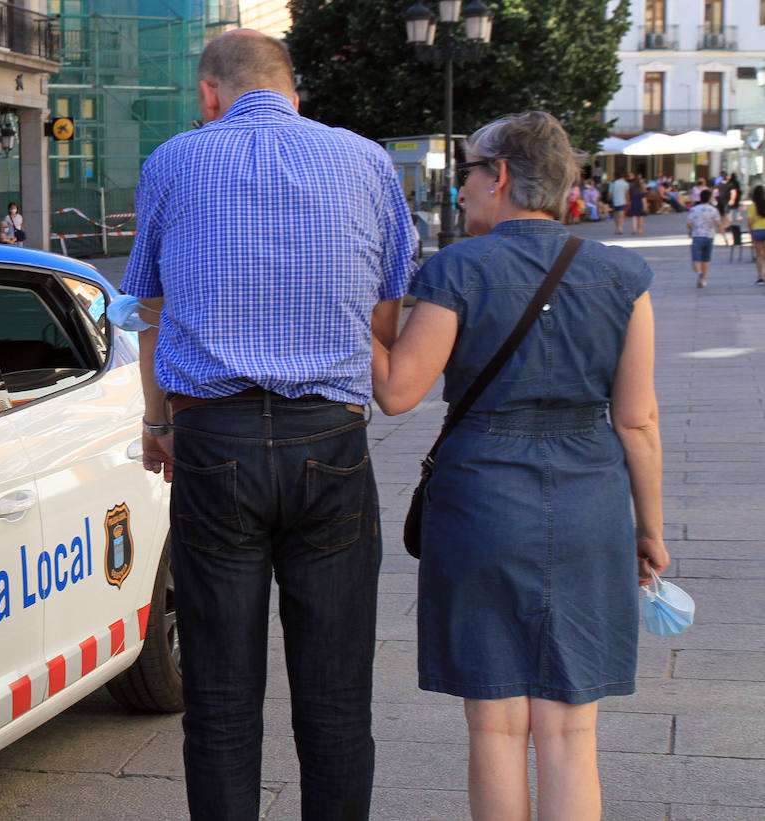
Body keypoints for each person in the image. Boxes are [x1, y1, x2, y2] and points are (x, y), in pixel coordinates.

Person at [121, 28, 416, 821]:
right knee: (336, 700)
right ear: (294, 89)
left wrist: (157, 419)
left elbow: (148, 304)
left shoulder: (176, 161)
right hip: (331, 440)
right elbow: (386, 308)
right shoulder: (364, 160)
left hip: (213, 442)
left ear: (209, 94)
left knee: (218, 700)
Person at [370, 111, 670, 821]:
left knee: (497, 727)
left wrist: (352, 313)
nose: (464, 187)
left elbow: (398, 391)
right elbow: (638, 419)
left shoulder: (458, 268)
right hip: (591, 503)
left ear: (499, 175)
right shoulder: (624, 275)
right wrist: (649, 529)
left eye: (470, 171)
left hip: (482, 501)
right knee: (571, 729)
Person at [687, 189, 727, 288]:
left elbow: (689, 223)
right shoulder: (713, 210)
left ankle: (698, 273)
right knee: (706, 259)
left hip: (697, 235)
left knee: (696, 258)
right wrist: (724, 237)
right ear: (709, 198)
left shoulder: (694, 209)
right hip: (709, 236)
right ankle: (703, 278)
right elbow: (718, 224)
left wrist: (691, 230)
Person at [747, 185, 765, 285]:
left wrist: (751, 232)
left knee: (759, 255)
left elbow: (750, 222)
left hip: (757, 231)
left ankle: (760, 277)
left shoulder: (752, 206)